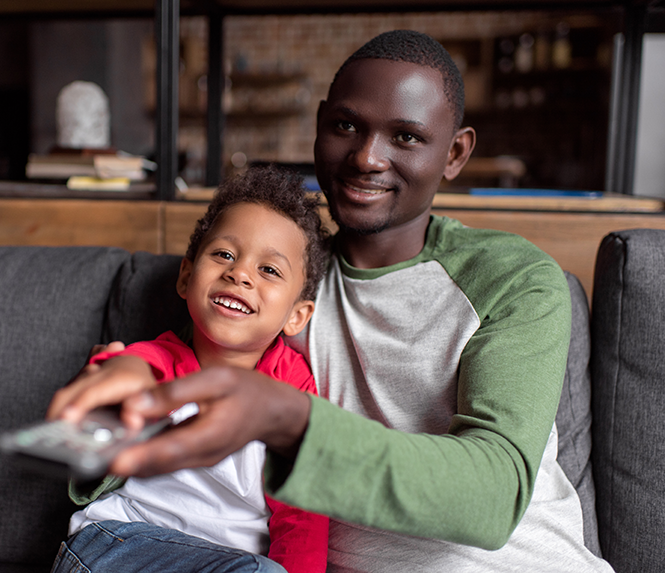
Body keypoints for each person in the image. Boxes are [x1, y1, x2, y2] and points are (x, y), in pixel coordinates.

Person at [51, 30, 614, 572]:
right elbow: (168, 369)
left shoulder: (512, 277)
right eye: (346, 125)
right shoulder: (281, 282)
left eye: (407, 137)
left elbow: (494, 497)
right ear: (320, 127)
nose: (367, 157)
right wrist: (111, 387)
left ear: (455, 153)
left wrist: (293, 423)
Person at [47, 164, 331, 573]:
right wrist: (110, 374)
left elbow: (303, 516)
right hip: (115, 546)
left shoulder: (296, 396)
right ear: (186, 276)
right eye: (224, 255)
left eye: (269, 270)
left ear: (297, 316)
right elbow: (134, 368)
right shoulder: (164, 360)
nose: (240, 273)